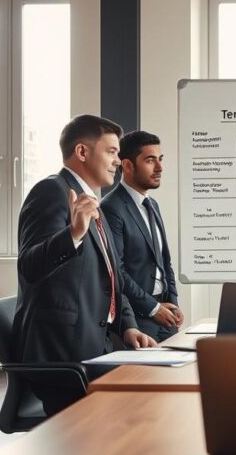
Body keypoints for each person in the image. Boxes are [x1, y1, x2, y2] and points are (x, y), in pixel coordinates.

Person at [14, 114, 155, 416]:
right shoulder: (52, 192)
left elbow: (112, 277)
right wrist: (73, 234)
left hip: (96, 347)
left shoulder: (91, 203)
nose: (117, 161)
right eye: (111, 151)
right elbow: (29, 266)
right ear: (81, 152)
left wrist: (129, 326)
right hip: (62, 356)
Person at [101, 130, 183, 341]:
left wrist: (173, 303)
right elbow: (117, 272)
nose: (160, 167)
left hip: (166, 313)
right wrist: (153, 308)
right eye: (150, 160)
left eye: (160, 159)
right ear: (128, 166)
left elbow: (164, 261)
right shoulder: (111, 208)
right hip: (138, 319)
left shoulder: (152, 204)